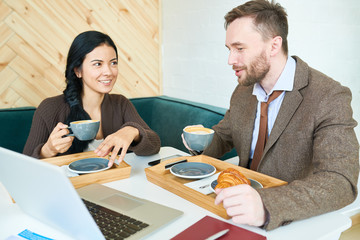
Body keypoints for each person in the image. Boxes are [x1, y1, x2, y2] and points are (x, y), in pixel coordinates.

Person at [187, 0, 359, 230]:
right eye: (229, 50)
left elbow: (341, 182)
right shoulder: (243, 89)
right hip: (235, 212)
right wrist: (200, 143)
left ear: (274, 45)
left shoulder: (328, 95)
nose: (231, 60)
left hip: (289, 221)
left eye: (240, 49)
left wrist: (266, 205)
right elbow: (225, 134)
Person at [23, 31, 161, 166]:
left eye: (113, 63)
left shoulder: (120, 104)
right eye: (97, 64)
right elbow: (23, 166)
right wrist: (48, 150)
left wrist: (132, 131)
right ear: (78, 70)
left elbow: (154, 146)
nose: (108, 72)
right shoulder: (49, 108)